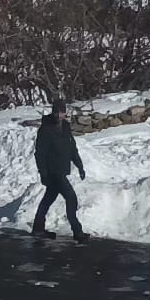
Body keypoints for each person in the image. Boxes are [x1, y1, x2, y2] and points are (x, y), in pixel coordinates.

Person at [32, 100, 88, 241]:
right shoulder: (45, 129)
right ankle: (77, 231)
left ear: (65, 113)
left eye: (61, 112)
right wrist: (43, 173)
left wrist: (79, 165)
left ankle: (38, 229)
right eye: (56, 112)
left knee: (48, 199)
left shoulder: (66, 127)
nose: (58, 115)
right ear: (53, 112)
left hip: (62, 169)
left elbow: (72, 148)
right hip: (52, 171)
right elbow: (40, 153)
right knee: (71, 198)